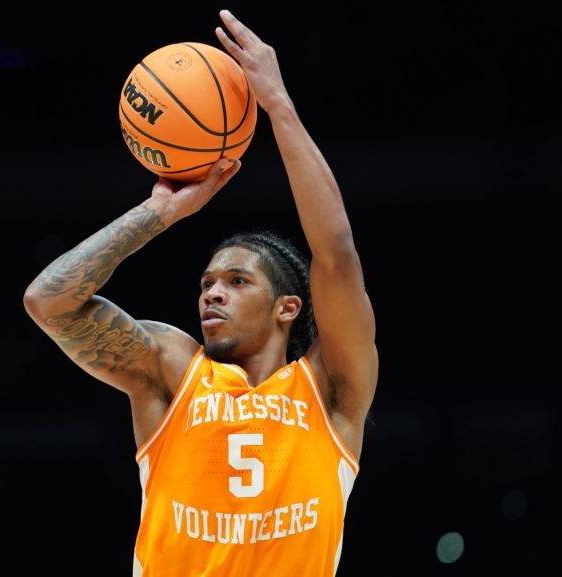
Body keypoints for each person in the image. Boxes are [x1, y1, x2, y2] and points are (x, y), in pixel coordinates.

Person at [23, 10, 377, 576]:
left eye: (237, 282)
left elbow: (336, 253)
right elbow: (48, 302)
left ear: (289, 307)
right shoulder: (172, 370)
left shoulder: (330, 390)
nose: (212, 294)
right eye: (207, 283)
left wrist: (278, 106)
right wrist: (158, 213)